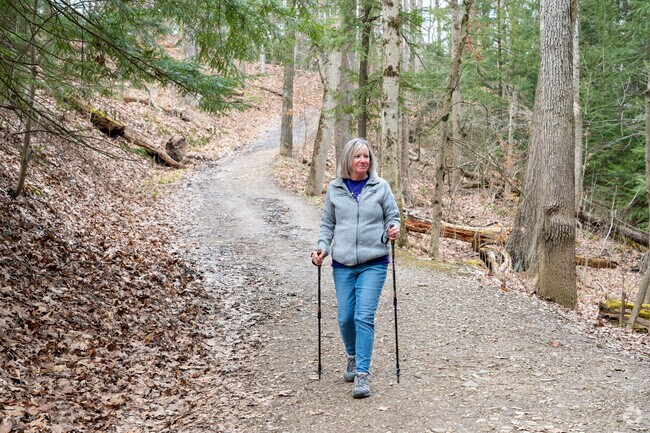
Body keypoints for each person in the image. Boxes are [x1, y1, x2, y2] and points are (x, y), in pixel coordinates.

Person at [311, 137, 401, 399]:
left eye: (367, 156)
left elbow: (393, 217)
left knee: (363, 316)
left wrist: (393, 230)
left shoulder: (380, 187)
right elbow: (327, 223)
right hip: (343, 264)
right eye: (358, 156)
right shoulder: (335, 189)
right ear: (348, 160)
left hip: (374, 262)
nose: (363, 160)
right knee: (346, 317)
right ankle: (351, 356)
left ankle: (362, 373)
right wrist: (321, 248)